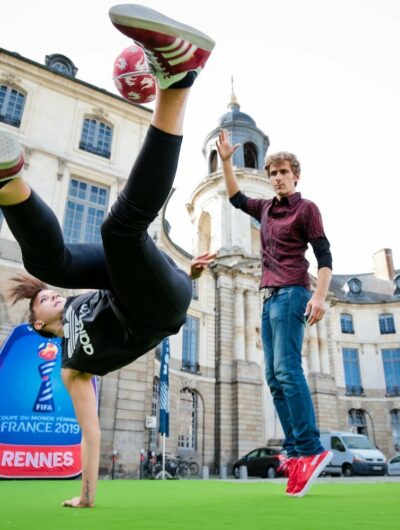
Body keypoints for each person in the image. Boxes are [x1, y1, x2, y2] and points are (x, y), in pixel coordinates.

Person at [0, 4, 215, 508]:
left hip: (136, 290)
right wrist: (87, 496)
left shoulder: (76, 303)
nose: (53, 298)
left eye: (52, 298)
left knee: (49, 263)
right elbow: (90, 433)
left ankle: (9, 183)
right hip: (155, 312)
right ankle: (178, 82)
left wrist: (185, 269)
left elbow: (132, 272)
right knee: (119, 230)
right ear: (37, 324)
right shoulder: (74, 369)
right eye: (45, 303)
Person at [216, 129, 333, 497]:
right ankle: (296, 454)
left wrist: (319, 296)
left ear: (295, 176)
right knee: (272, 376)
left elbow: (325, 257)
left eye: (283, 171)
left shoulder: (306, 208)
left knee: (287, 368)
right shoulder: (265, 208)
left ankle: (311, 449)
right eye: (273, 173)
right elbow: (235, 198)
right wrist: (225, 162)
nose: (278, 177)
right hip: (267, 297)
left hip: (293, 293)